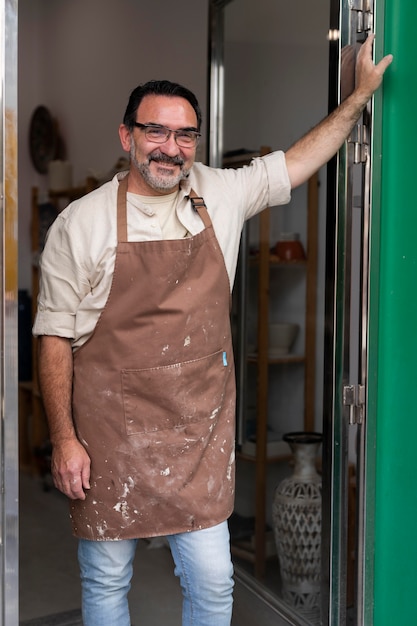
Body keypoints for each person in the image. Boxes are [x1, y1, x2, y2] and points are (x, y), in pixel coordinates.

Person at [33, 34, 392, 626]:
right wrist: (65, 439)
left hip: (196, 437)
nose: (171, 149)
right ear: (127, 137)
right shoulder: (82, 223)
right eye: (156, 132)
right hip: (110, 439)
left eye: (185, 135)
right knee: (106, 579)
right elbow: (53, 338)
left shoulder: (219, 193)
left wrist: (358, 100)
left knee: (213, 581)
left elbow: (298, 161)